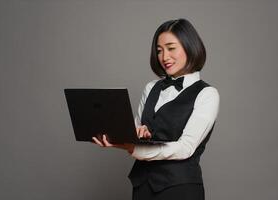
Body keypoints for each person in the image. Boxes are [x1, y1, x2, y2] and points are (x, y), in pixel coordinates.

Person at [92, 18, 220, 200]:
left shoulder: (207, 94)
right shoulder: (151, 87)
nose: (164, 57)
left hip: (180, 190)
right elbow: (135, 135)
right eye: (159, 50)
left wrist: (136, 149)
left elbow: (185, 148)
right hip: (142, 186)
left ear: (189, 47)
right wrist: (129, 137)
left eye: (171, 48)